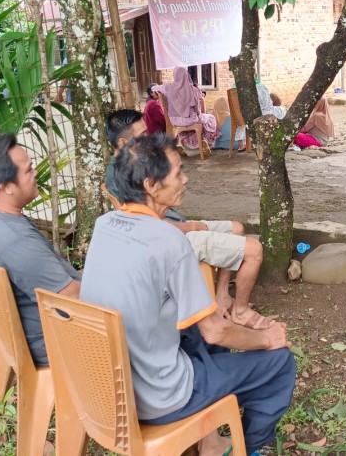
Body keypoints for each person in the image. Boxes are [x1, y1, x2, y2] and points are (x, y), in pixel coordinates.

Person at [82, 134, 296, 456]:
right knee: (279, 362)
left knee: (201, 334)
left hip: (110, 392)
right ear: (152, 185)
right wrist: (268, 337)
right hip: (160, 398)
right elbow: (216, 331)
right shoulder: (170, 242)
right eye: (179, 172)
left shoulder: (104, 225)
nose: (186, 178)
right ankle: (248, 447)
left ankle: (209, 438)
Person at [105, 109, 272, 329]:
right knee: (254, 249)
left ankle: (221, 297)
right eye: (142, 135)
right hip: (172, 238)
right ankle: (240, 312)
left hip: (175, 228)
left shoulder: (138, 163)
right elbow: (151, 226)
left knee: (237, 228)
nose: (148, 138)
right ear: (124, 141)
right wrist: (192, 226)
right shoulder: (124, 175)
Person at [0, 135, 80, 367]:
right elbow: (71, 299)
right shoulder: (16, 241)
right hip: (63, 342)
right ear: (5, 186)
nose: (36, 172)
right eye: (28, 170)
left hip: (40, 333)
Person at [163, 67, 221, 152]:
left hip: (175, 121)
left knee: (195, 123)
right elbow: (197, 110)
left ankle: (181, 143)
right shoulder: (191, 89)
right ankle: (204, 142)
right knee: (210, 118)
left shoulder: (170, 90)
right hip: (190, 120)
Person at [234, 80, 287, 150]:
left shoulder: (234, 88)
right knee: (283, 111)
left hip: (240, 116)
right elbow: (268, 106)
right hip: (258, 116)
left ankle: (241, 145)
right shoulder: (260, 87)